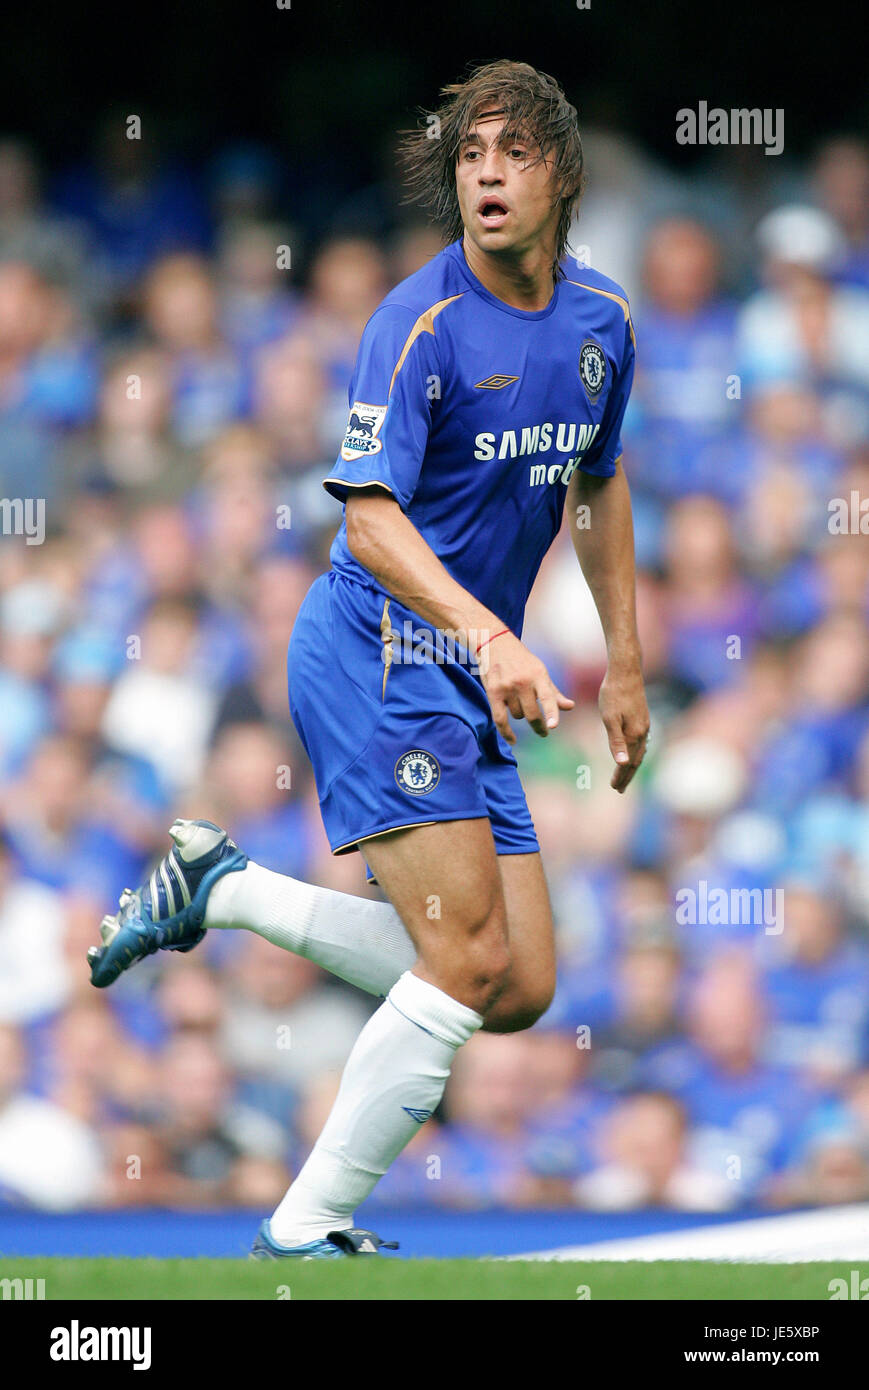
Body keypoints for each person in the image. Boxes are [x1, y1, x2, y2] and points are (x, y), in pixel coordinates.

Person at [87, 59, 649, 1258]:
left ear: (562, 174)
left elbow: (598, 484)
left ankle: (222, 889)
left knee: (521, 985)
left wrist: (629, 664)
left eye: (512, 154)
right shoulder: (419, 320)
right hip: (377, 650)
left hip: (465, 671)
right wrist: (494, 633)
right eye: (468, 157)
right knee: (466, 960)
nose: (486, 176)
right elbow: (366, 519)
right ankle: (305, 1224)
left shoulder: (603, 322)